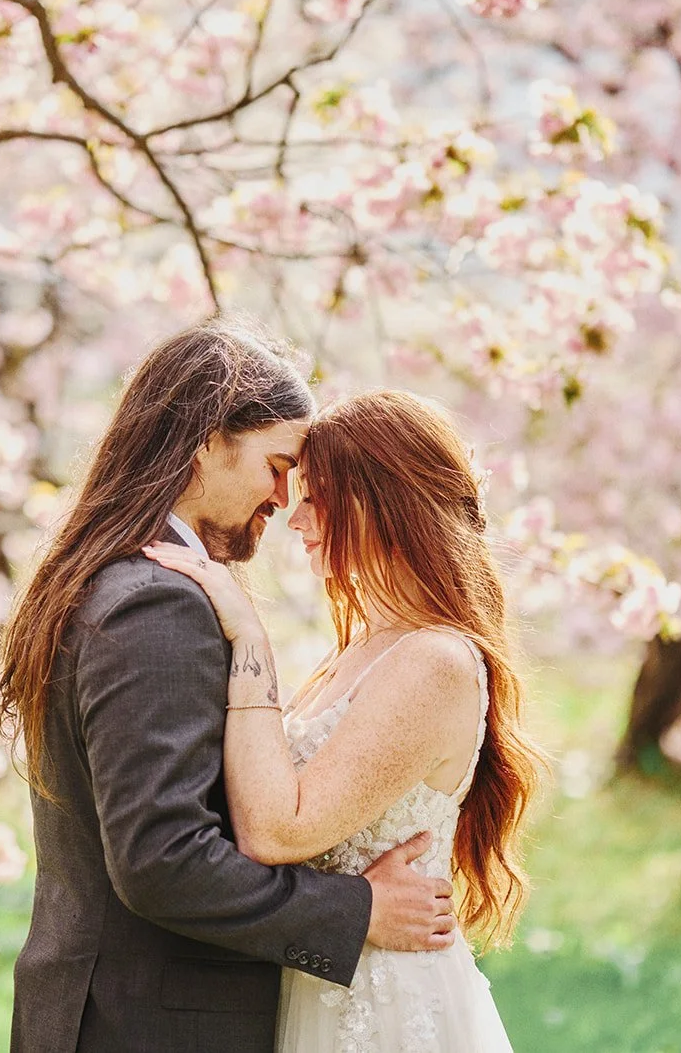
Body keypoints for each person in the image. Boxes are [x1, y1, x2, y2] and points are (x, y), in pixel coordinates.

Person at [0, 318, 456, 1053]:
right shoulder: (157, 600)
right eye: (277, 464)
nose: (282, 498)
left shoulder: (109, 576)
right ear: (207, 439)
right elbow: (163, 858)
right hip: (151, 1023)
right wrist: (355, 909)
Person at [143, 389, 545, 1052]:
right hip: (326, 978)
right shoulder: (358, 648)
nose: (293, 518)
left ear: (380, 500)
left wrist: (248, 639)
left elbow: (278, 830)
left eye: (316, 496)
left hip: (385, 1005)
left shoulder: (435, 659)